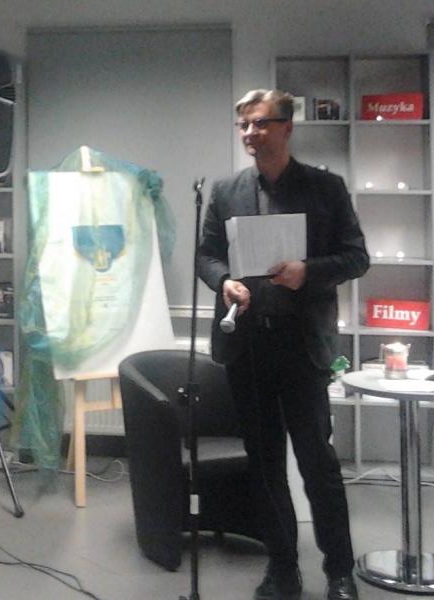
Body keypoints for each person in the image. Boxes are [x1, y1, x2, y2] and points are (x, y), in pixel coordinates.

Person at [197, 89, 369, 600]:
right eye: (244, 125)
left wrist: (307, 271)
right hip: (248, 347)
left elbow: (356, 257)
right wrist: (224, 280)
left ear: (287, 127)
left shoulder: (325, 188)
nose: (250, 134)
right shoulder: (226, 191)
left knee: (318, 463)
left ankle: (339, 572)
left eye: (260, 123)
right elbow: (206, 255)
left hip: (302, 348)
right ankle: (282, 569)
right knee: (265, 462)